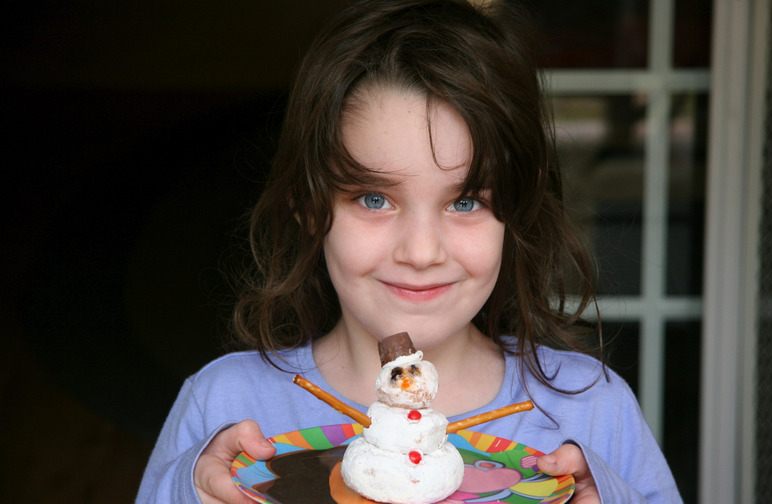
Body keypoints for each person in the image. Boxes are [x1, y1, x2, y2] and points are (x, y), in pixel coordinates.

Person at [136, 1, 682, 503]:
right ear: (308, 206)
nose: (421, 252)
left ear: (517, 209)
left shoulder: (590, 408)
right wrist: (190, 494)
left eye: (465, 202)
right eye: (374, 199)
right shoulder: (225, 403)